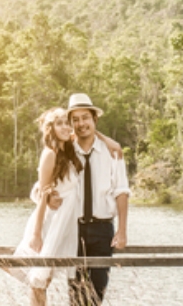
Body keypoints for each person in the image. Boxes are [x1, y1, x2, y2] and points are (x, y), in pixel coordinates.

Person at [0, 107, 121, 306]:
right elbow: (42, 193)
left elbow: (114, 147)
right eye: (60, 123)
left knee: (41, 277)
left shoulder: (68, 149)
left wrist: (91, 129)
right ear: (51, 128)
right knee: (39, 278)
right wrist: (37, 233)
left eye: (67, 122)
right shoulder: (50, 153)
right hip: (50, 222)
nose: (66, 126)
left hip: (65, 224)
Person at [66, 93, 131, 306]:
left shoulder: (113, 152)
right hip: (73, 230)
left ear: (95, 119)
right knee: (76, 295)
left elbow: (121, 191)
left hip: (102, 230)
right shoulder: (65, 151)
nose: (81, 123)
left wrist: (121, 231)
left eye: (85, 117)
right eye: (75, 119)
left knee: (96, 295)